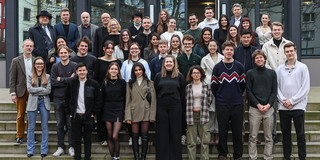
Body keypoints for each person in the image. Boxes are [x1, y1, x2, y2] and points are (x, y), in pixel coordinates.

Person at [211, 41, 245, 160]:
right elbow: (213, 86)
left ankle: (238, 155)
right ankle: (222, 154)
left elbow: (242, 85)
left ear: (233, 51)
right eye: (227, 50)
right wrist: (221, 96)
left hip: (237, 103)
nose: (229, 52)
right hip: (222, 104)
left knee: (237, 132)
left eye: (231, 50)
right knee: (223, 131)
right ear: (223, 51)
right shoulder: (217, 67)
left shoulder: (239, 66)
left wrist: (235, 94)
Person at [277, 43, 310, 160]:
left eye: (291, 51)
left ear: (295, 51)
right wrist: (284, 101)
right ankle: (287, 157)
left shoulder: (303, 67)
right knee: (286, 135)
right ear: (284, 53)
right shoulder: (279, 69)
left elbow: (305, 88)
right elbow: (276, 88)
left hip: (298, 107)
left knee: (300, 134)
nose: (289, 53)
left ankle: (302, 157)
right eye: (287, 51)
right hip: (283, 107)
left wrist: (292, 101)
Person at [262, 22, 292, 143]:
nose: (277, 31)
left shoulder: (289, 44)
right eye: (274, 30)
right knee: (272, 111)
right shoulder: (266, 46)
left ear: (282, 30)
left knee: (287, 109)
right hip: (271, 81)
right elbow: (264, 62)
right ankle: (273, 134)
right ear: (271, 31)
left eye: (279, 29)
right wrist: (274, 74)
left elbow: (291, 60)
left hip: (287, 81)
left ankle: (287, 135)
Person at [65, 62, 102, 160]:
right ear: (76, 71)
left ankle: (87, 157)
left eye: (84, 70)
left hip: (88, 116)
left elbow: (98, 100)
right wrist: (69, 113)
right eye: (80, 70)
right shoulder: (71, 83)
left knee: (88, 140)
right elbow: (66, 98)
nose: (82, 72)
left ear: (87, 71)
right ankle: (77, 157)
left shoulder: (94, 84)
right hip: (75, 115)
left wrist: (93, 113)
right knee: (76, 140)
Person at [246, 50, 277, 160]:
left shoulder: (272, 73)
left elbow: (274, 91)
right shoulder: (250, 73)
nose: (259, 59)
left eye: (261, 57)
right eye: (257, 58)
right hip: (255, 109)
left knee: (268, 137)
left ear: (264, 59)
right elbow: (248, 91)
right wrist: (258, 105)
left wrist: (268, 105)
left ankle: (267, 157)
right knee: (253, 136)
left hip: (269, 109)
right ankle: (252, 157)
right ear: (254, 61)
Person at [154, 55, 185, 160]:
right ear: (164, 64)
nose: (168, 64)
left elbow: (182, 93)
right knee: (162, 133)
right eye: (166, 62)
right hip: (162, 107)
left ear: (174, 63)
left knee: (175, 132)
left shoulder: (179, 76)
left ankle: (175, 157)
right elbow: (156, 91)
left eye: (170, 62)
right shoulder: (158, 76)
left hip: (175, 106)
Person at [125, 62, 156, 160]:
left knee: (145, 136)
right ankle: (136, 157)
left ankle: (143, 157)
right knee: (134, 136)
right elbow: (127, 101)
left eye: (140, 70)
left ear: (143, 70)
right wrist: (128, 116)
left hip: (146, 111)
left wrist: (152, 116)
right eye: (136, 70)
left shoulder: (150, 83)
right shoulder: (129, 84)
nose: (138, 72)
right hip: (134, 112)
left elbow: (154, 101)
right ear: (133, 72)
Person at [93, 41, 121, 146]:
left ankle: (113, 137)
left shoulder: (117, 61)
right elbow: (95, 78)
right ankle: (102, 137)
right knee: (101, 115)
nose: (110, 50)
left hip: (114, 92)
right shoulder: (98, 61)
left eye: (111, 48)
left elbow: (119, 76)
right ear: (104, 49)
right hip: (101, 92)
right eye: (108, 48)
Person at [51, 45, 77, 157]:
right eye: (61, 53)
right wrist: (68, 79)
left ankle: (71, 147)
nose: (63, 55)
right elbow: (53, 82)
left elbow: (75, 81)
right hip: (58, 99)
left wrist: (61, 79)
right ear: (58, 54)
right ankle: (60, 147)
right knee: (60, 124)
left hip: (71, 99)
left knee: (71, 124)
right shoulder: (55, 67)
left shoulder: (74, 65)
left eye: (65, 53)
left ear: (69, 53)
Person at [9, 39, 35, 145]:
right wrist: (13, 93)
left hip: (33, 90)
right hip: (20, 91)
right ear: (23, 47)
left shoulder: (36, 60)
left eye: (31, 46)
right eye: (27, 46)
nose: (29, 48)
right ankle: (19, 136)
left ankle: (30, 136)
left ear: (33, 48)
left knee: (31, 115)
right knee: (20, 114)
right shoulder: (16, 60)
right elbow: (12, 78)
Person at [185, 65, 212, 160]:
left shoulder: (206, 86)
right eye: (194, 73)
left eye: (198, 73)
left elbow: (209, 99)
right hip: (191, 115)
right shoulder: (188, 87)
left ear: (201, 74)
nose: (196, 75)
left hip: (203, 115)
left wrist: (204, 108)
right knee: (191, 142)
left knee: (205, 141)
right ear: (191, 75)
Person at [26, 57, 51, 158]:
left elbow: (48, 91)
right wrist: (41, 88)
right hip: (32, 103)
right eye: (38, 64)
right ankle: (30, 150)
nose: (40, 65)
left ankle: (44, 150)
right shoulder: (29, 76)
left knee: (44, 127)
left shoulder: (48, 76)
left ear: (44, 65)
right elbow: (29, 90)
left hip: (44, 102)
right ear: (34, 65)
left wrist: (35, 89)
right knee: (31, 127)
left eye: (41, 64)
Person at [101, 62, 126, 160]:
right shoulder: (105, 82)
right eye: (112, 69)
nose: (114, 71)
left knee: (115, 136)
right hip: (107, 109)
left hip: (118, 109)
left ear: (118, 71)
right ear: (109, 70)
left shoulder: (122, 82)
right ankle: (113, 157)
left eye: (116, 69)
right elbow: (102, 98)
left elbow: (125, 97)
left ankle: (117, 156)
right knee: (110, 136)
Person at [200, 40, 224, 144]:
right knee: (210, 111)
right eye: (210, 46)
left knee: (219, 111)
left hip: (221, 87)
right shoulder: (204, 59)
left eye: (214, 46)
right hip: (208, 87)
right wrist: (210, 81)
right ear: (208, 47)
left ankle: (217, 133)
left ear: (217, 46)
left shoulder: (222, 58)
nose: (212, 48)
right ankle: (210, 133)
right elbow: (202, 73)